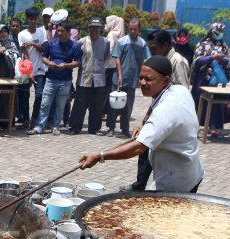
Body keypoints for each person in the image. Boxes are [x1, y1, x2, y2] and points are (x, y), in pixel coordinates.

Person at [79, 56, 204, 193]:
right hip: (190, 170)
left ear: (166, 80)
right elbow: (171, 124)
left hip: (178, 180)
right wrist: (147, 128)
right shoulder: (179, 90)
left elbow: (138, 148)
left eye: (149, 79)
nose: (143, 83)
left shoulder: (167, 108)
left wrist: (99, 156)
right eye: (141, 77)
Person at [124, 29, 192, 191]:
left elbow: (182, 91)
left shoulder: (177, 61)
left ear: (166, 45)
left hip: (171, 117)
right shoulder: (154, 61)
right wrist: (149, 116)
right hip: (159, 111)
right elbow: (157, 96)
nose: (152, 51)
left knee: (148, 145)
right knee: (146, 148)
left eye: (155, 48)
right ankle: (140, 183)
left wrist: (101, 156)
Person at [28, 21, 80, 136]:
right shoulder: (51, 43)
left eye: (62, 31)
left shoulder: (75, 46)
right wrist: (49, 63)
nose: (59, 33)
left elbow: (78, 62)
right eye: (58, 31)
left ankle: (55, 126)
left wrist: (66, 65)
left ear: (68, 32)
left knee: (60, 105)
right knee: (45, 103)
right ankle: (40, 126)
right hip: (51, 79)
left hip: (66, 80)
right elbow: (44, 58)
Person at [109, 18, 150, 137]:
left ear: (139, 30)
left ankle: (125, 129)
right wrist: (120, 75)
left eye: (135, 29)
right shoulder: (122, 41)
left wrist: (140, 77)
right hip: (119, 78)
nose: (132, 31)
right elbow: (117, 59)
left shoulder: (142, 43)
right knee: (114, 104)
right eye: (130, 29)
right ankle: (111, 128)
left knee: (128, 105)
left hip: (132, 79)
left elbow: (142, 61)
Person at [69, 17, 109, 136]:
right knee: (79, 104)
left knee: (97, 105)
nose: (94, 31)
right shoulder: (81, 42)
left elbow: (106, 57)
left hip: (99, 79)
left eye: (97, 28)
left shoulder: (106, 42)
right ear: (88, 29)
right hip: (84, 78)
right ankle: (75, 127)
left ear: (100, 29)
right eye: (92, 28)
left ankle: (94, 128)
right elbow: (77, 58)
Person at [191, 23, 229, 138]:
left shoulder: (223, 46)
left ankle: (214, 127)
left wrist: (220, 60)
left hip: (217, 79)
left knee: (216, 103)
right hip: (202, 78)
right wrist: (211, 58)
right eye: (218, 31)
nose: (220, 34)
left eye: (221, 32)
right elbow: (197, 61)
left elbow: (227, 62)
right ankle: (196, 126)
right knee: (200, 101)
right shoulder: (202, 44)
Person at [18, 7, 47, 129]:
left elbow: (44, 48)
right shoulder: (22, 34)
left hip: (40, 69)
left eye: (35, 19)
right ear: (27, 19)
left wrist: (33, 44)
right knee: (25, 95)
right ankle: (25, 119)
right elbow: (25, 54)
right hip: (26, 69)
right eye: (31, 19)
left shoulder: (42, 32)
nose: (33, 21)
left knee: (39, 95)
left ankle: (34, 119)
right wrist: (29, 72)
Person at [0, 25, 19, 130]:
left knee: (10, 101)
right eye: (1, 31)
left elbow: (16, 55)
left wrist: (8, 52)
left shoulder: (11, 44)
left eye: (5, 31)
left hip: (9, 78)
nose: (3, 33)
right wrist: (0, 49)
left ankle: (9, 123)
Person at [102, 15, 124, 123]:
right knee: (112, 90)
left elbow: (109, 50)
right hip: (116, 67)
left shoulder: (111, 34)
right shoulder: (122, 35)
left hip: (107, 65)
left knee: (104, 90)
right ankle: (113, 112)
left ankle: (102, 111)